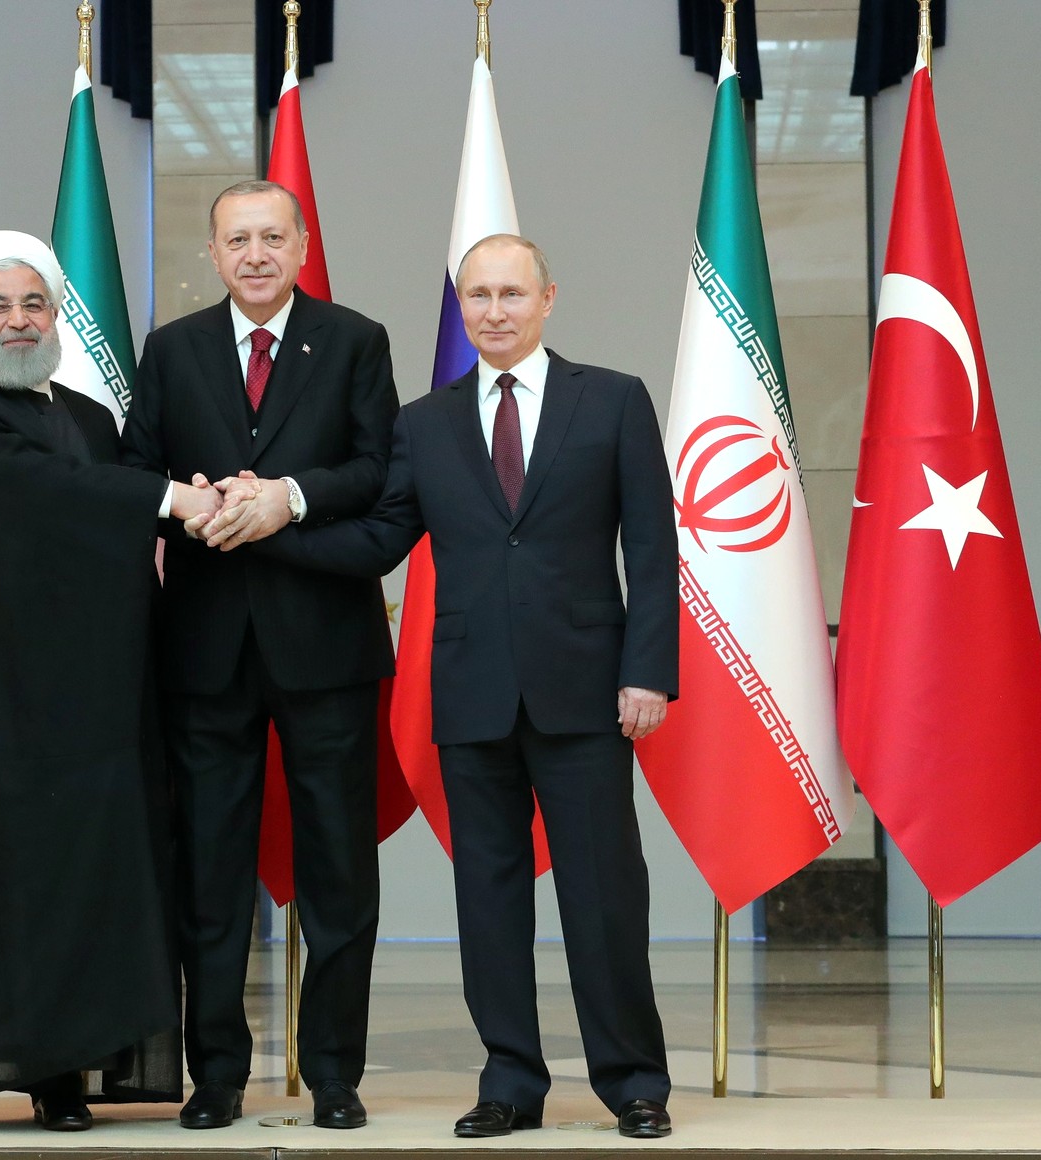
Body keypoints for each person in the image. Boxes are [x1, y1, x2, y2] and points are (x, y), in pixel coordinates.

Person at [199, 233, 678, 1139]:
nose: (493, 311)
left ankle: (633, 1082)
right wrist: (269, 525)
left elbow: (653, 549)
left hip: (587, 691)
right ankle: (510, 1082)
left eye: (510, 294)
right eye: (477, 297)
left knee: (605, 895)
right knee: (488, 896)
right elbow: (379, 541)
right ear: (462, 309)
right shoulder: (424, 421)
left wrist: (647, 671)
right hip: (470, 692)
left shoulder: (612, 401)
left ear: (547, 299)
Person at [0, 231, 221, 1134]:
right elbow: (36, 497)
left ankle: (57, 1077)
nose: (18, 321)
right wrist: (161, 498)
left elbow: (99, 540)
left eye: (34, 303)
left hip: (79, 706)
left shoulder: (93, 421)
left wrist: (185, 501)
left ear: (56, 317)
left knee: (73, 886)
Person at [119, 180, 399, 1130]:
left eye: (272, 237)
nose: (254, 254)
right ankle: (219, 1077)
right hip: (204, 650)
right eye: (236, 240)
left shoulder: (356, 340)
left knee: (338, 875)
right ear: (213, 253)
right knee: (210, 876)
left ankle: (333, 1074)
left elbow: (376, 467)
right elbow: (132, 470)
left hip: (325, 642)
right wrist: (182, 498)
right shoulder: (172, 351)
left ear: (302, 243)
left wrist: (289, 496)